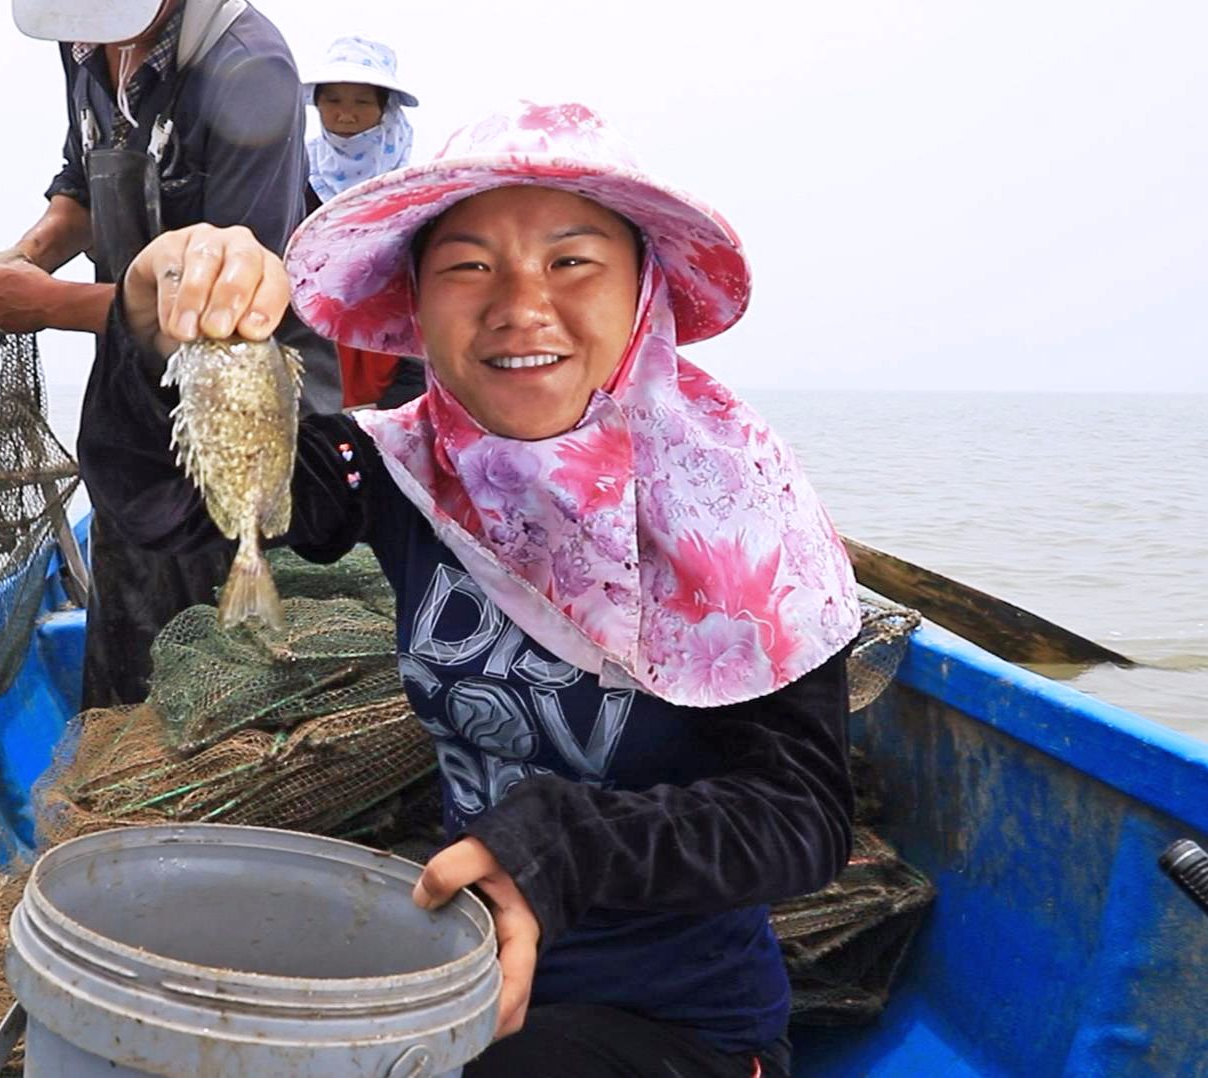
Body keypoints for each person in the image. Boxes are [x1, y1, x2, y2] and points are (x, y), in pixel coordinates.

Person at [85, 101, 864, 1076]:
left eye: (571, 260)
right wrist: (148, 307)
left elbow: (800, 819)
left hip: (676, 1023)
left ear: (642, 291)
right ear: (416, 303)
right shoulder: (403, 470)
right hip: (453, 962)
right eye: (467, 265)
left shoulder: (747, 511)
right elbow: (156, 502)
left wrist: (556, 843)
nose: (517, 303)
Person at [0, 0, 342, 708]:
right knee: (129, 631)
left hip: (241, 399)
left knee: (224, 653)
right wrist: (25, 257)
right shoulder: (82, 40)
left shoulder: (250, 68)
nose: (86, 27)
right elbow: (83, 184)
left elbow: (233, 309)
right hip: (133, 398)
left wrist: (44, 306)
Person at [300, 34, 426, 408]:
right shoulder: (295, 174)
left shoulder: (413, 190)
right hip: (311, 367)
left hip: (393, 371)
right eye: (333, 100)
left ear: (385, 109)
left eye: (362, 102)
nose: (346, 114)